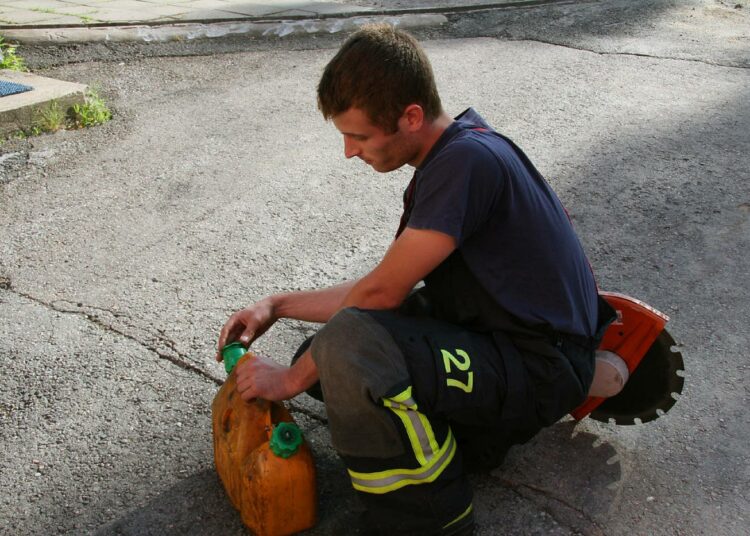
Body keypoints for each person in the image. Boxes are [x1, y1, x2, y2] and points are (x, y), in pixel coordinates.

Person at [216, 25, 619, 535]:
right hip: (507, 342)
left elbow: (378, 298)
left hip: (540, 367)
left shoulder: (466, 164)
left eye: (358, 136)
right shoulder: (456, 152)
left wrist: (289, 383)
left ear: (410, 116)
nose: (348, 152)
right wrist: (276, 306)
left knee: (343, 355)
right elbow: (385, 286)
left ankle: (427, 517)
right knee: (322, 358)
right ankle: (471, 442)